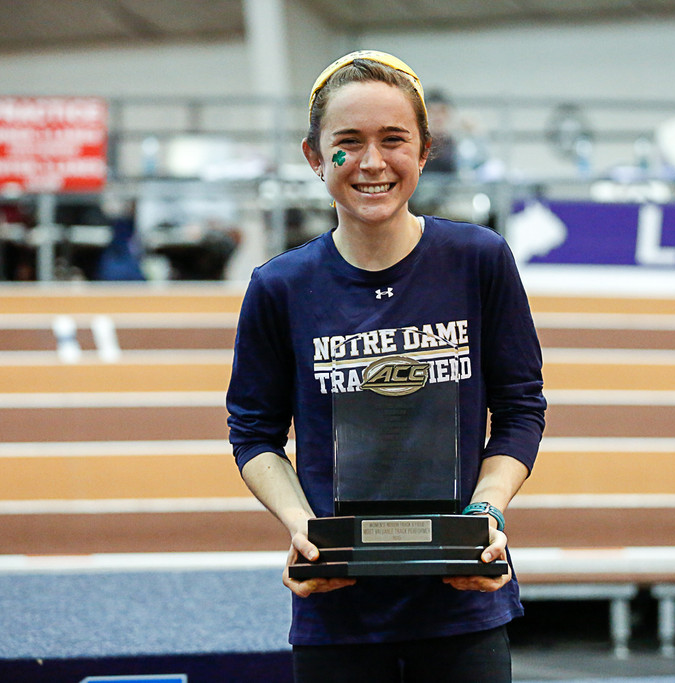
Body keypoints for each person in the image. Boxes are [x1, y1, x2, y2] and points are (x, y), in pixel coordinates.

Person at [225, 50, 546, 682]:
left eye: (393, 140)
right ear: (315, 158)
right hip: (336, 612)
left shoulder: (479, 260)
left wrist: (488, 512)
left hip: (462, 607)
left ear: (425, 151)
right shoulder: (279, 287)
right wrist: (301, 527)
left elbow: (519, 409)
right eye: (348, 143)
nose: (372, 163)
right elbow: (254, 434)